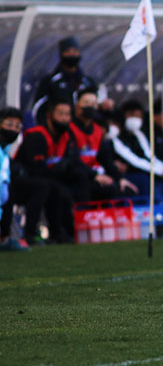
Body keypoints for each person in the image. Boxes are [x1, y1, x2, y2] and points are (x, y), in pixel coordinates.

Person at [15, 97, 85, 244]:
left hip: (49, 179)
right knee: (48, 187)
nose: (65, 118)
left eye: (68, 114)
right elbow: (35, 169)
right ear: (49, 115)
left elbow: (74, 162)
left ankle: (73, 232)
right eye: (61, 114)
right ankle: (29, 235)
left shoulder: (66, 137)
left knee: (79, 181)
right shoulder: (37, 136)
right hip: (22, 181)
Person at [32, 36, 99, 125]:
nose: (72, 55)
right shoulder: (51, 81)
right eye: (68, 52)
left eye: (75, 51)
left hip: (82, 133)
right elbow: (38, 107)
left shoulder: (87, 82)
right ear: (62, 54)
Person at [0, 107, 29, 251]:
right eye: (9, 124)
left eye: (17, 126)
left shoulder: (5, 151)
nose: (13, 129)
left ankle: (5, 239)